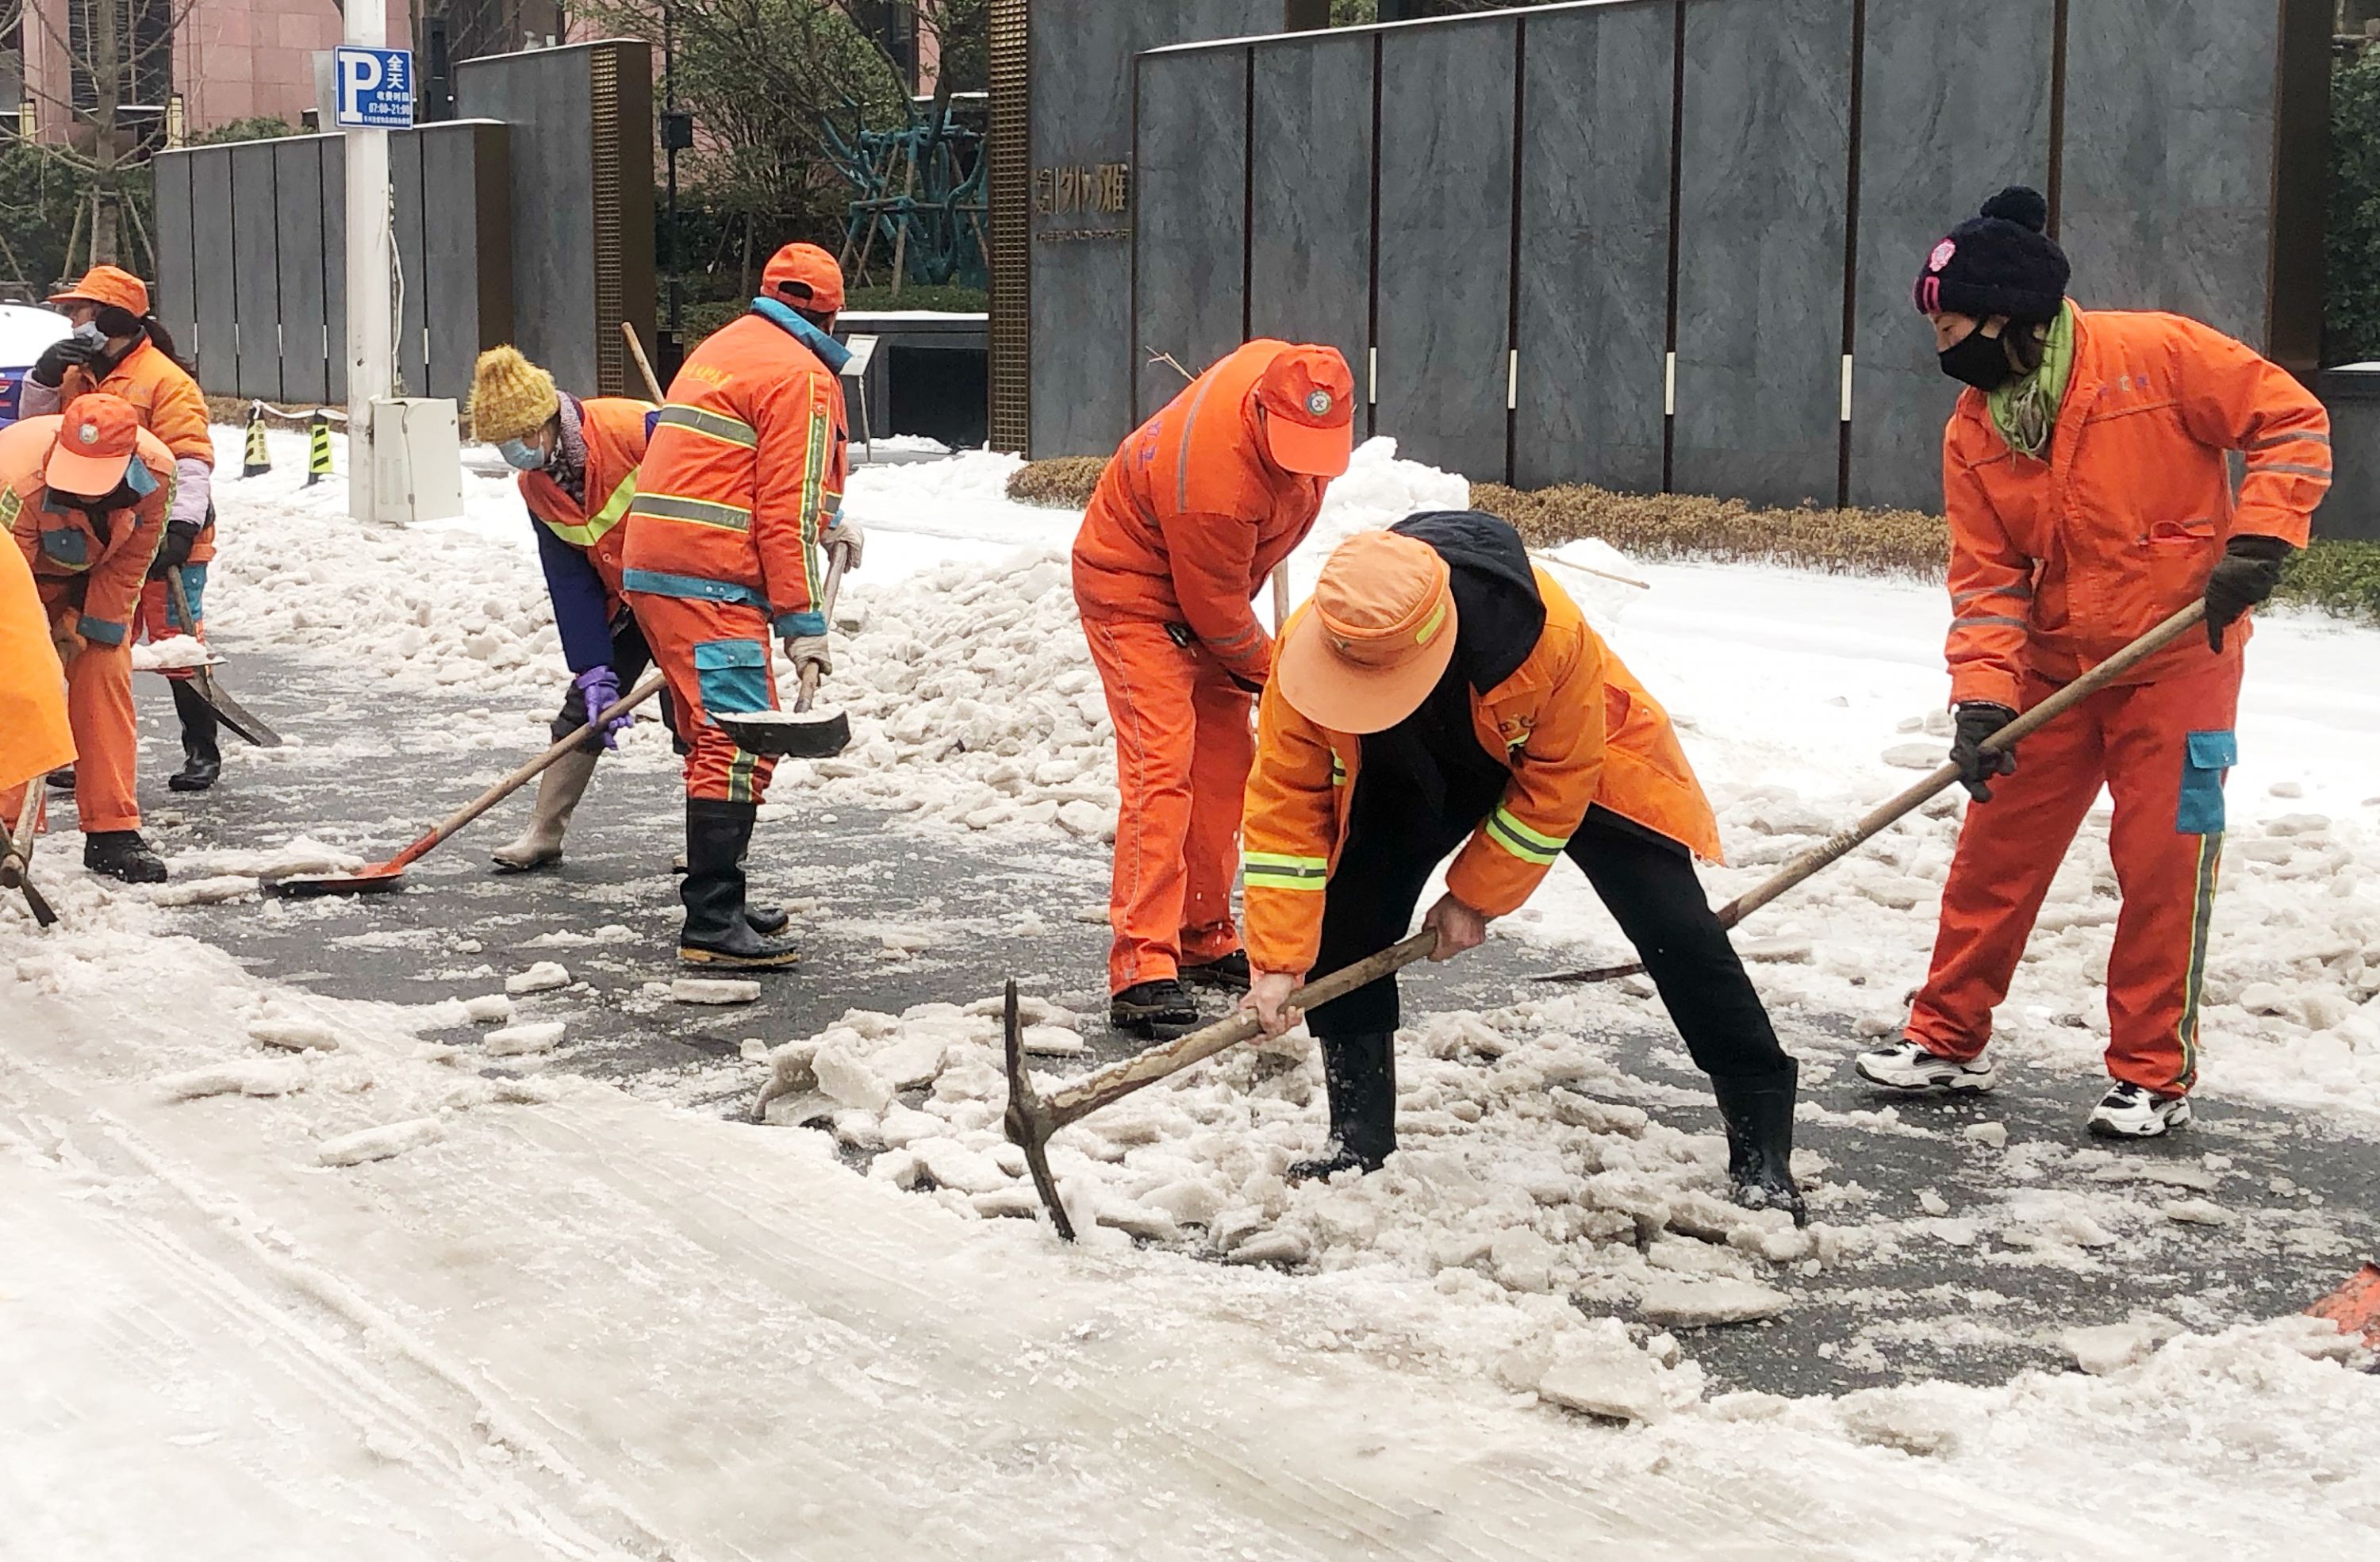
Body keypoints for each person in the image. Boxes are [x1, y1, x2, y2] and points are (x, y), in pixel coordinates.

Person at [1857, 186, 2332, 1138]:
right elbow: (1988, 582)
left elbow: (2293, 419)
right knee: (1995, 852)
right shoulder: (1978, 428)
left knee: (2163, 863)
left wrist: (2262, 537)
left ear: (2006, 318)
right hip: (2055, 669)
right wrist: (1983, 701)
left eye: (1950, 323)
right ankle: (1947, 1036)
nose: (1944, 345)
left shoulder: (2156, 356)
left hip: (2181, 658)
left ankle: (2152, 1074)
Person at [1238, 514, 1806, 1221]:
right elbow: (1286, 808)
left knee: (1675, 926)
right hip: (1412, 761)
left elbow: (1557, 785)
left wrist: (1474, 895)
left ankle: (1760, 1140)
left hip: (1573, 752)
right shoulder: (1310, 648)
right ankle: (1357, 1136)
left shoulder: (1547, 637)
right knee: (1348, 911)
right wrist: (1279, 958)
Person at [1073, 338, 1355, 1038]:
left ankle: (1203, 930)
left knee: (1228, 766)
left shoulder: (1291, 373)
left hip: (1212, 586)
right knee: (1162, 769)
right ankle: (1142, 964)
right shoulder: (1214, 484)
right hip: (1134, 592)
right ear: (1259, 413)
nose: (1307, 469)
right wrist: (1288, 680)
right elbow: (1218, 619)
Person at [620, 242, 861, 968]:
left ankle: (720, 894)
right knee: (737, 739)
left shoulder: (724, 349)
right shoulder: (803, 376)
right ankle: (711, 921)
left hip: (658, 570)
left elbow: (739, 476)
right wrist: (804, 624)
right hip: (710, 579)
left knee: (709, 733)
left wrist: (829, 522)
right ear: (830, 313)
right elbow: (779, 511)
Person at [25, 266, 220, 793]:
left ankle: (202, 748)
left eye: (79, 310)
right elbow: (39, 436)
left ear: (112, 317)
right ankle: (76, 751)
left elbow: (192, 459)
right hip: (101, 538)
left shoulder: (164, 379)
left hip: (166, 534)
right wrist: (42, 379)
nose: (70, 320)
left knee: (177, 642)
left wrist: (179, 529)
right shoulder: (77, 374)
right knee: (90, 648)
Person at [0, 397, 175, 882]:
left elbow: (129, 565)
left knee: (106, 673)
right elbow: (8, 577)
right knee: (19, 690)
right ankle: (8, 828)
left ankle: (113, 831)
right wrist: (39, 638)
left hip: (93, 584)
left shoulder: (159, 473)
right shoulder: (17, 480)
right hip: (15, 582)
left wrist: (86, 623)